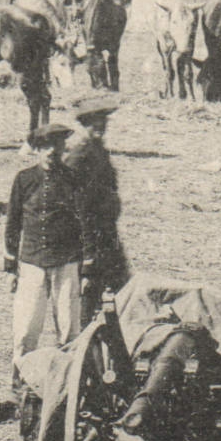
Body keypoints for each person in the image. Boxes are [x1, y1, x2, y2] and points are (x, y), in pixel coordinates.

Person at [5, 123, 88, 372]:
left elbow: (86, 224)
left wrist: (86, 269)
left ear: (63, 149)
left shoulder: (74, 181)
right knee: (26, 329)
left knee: (69, 330)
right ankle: (20, 380)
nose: (51, 152)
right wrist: (11, 266)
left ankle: (68, 384)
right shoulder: (24, 180)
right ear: (37, 150)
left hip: (67, 263)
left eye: (56, 146)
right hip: (31, 264)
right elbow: (13, 224)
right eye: (45, 147)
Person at [64, 96, 128, 313]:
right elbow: (77, 205)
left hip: (106, 234)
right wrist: (88, 249)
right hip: (89, 237)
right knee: (89, 293)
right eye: (94, 124)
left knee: (118, 290)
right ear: (84, 125)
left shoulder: (97, 149)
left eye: (104, 123)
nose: (100, 127)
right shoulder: (80, 155)